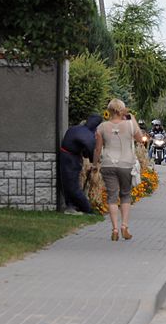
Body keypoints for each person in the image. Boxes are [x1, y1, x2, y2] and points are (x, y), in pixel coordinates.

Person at [94, 99, 144, 241]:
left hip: (108, 164)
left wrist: (94, 164)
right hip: (126, 164)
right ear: (123, 110)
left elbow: (98, 148)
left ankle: (115, 228)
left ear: (109, 111)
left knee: (112, 196)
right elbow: (140, 139)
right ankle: (124, 226)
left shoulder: (102, 127)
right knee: (125, 195)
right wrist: (132, 119)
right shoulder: (129, 124)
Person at [59, 114, 103, 214]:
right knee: (73, 186)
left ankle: (71, 206)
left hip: (66, 156)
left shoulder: (76, 128)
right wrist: (94, 163)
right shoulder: (89, 135)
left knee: (68, 184)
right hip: (71, 159)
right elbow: (91, 152)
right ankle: (87, 209)